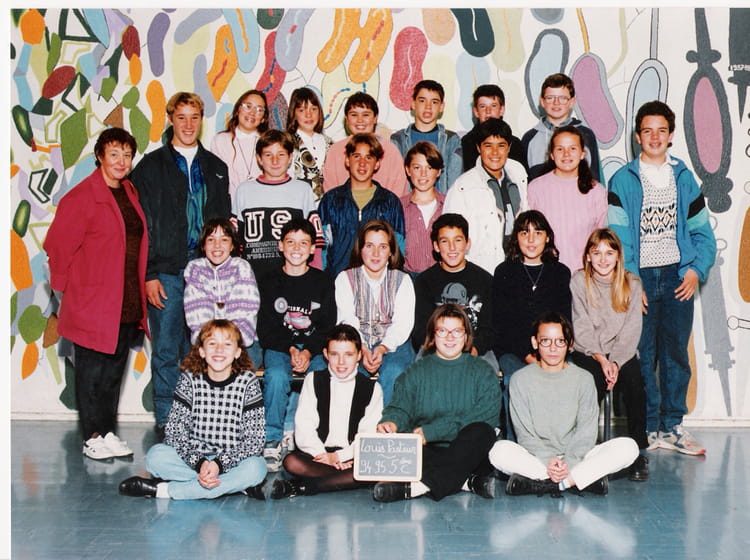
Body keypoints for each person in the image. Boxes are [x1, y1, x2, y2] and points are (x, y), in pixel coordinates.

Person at [608, 100, 716, 455]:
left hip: (675, 278)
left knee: (675, 355)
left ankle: (672, 426)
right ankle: (648, 427)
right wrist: (630, 278)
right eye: (647, 131)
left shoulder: (683, 178)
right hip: (640, 278)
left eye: (661, 131)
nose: (654, 137)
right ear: (638, 137)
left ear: (670, 136)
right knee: (642, 354)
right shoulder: (622, 180)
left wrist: (695, 270)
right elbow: (619, 237)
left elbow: (703, 234)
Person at [130, 91, 231, 434]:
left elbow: (223, 225)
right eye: (181, 117)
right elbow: (142, 226)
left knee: (205, 348)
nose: (188, 125)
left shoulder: (216, 167)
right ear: (171, 119)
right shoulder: (150, 167)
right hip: (167, 272)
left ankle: (201, 420)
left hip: (207, 272)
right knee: (166, 350)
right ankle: (167, 421)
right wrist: (149, 273)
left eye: (194, 117)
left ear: (201, 120)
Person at [44, 127, 148, 460]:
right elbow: (57, 247)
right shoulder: (81, 197)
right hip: (91, 301)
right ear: (100, 156)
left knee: (114, 371)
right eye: (114, 154)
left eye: (127, 155)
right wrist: (67, 295)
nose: (121, 161)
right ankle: (91, 436)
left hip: (125, 299)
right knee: (91, 372)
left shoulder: (129, 191)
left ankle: (107, 432)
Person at [489, 312, 638, 497]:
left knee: (628, 447)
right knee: (498, 451)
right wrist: (548, 461)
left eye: (560, 341)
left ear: (570, 344)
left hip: (577, 456)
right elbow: (524, 435)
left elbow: (586, 433)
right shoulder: (520, 379)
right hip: (536, 457)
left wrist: (569, 462)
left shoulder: (584, 379)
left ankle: (550, 484)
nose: (553, 348)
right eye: (546, 341)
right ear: (535, 342)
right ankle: (577, 481)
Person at [118, 319, 267, 499]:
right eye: (212, 344)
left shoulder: (248, 382)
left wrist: (219, 464)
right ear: (202, 351)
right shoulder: (189, 379)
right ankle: (233, 485)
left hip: (233, 460)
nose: (219, 350)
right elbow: (174, 432)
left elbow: (255, 440)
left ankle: (164, 490)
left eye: (227, 344)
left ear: (237, 352)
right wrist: (201, 463)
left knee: (256, 468)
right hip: (194, 460)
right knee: (155, 457)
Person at [372, 304, 501, 503]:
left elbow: (485, 418)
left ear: (466, 336)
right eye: (442, 331)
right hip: (428, 452)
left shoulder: (483, 372)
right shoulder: (416, 371)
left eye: (457, 331)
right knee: (405, 447)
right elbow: (400, 407)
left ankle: (417, 488)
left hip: (469, 453)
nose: (450, 337)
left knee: (482, 432)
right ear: (433, 336)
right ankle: (465, 482)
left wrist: (434, 432)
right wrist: (391, 422)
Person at [256, 218, 336, 471]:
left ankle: (318, 436)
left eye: (303, 243)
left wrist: (309, 351)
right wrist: (291, 348)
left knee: (321, 376)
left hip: (314, 347)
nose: (296, 248)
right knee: (277, 376)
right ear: (280, 246)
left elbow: (327, 326)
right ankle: (272, 437)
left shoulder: (323, 281)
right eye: (290, 242)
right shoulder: (269, 280)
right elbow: (266, 327)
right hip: (281, 346)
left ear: (313, 248)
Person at [570, 228, 649, 481]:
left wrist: (615, 361)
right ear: (588, 256)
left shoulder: (631, 284)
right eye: (597, 253)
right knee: (590, 383)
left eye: (609, 253)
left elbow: (631, 329)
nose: (603, 259)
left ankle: (637, 452)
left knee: (636, 387)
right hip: (589, 350)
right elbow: (581, 325)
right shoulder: (579, 281)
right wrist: (601, 359)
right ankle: (582, 449)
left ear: (618, 256)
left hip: (621, 352)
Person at [270, 324, 383, 498]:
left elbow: (367, 436)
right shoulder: (313, 380)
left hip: (353, 456)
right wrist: (325, 456)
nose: (341, 362)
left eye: (348, 355)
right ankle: (342, 480)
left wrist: (340, 457)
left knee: (373, 468)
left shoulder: (372, 388)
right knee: (291, 462)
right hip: (319, 455)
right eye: (334, 354)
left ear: (359, 355)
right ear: (325, 354)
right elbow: (304, 427)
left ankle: (302, 487)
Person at [492, 210, 571, 440]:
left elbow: (564, 320)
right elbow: (501, 325)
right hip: (513, 350)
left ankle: (558, 445)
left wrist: (547, 352)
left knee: (569, 379)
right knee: (514, 380)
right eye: (524, 233)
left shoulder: (560, 272)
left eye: (538, 233)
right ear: (516, 237)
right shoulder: (504, 271)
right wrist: (529, 355)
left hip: (552, 349)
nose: (531, 239)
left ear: (547, 237)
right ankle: (515, 446)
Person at [335, 220, 415, 405]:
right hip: (356, 340)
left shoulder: (403, 280)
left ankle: (387, 420)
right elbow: (347, 319)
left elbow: (402, 324)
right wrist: (363, 348)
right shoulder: (345, 278)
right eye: (369, 246)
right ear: (360, 248)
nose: (376, 253)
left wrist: (382, 347)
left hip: (394, 342)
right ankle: (358, 420)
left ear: (391, 251)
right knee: (351, 372)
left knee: (394, 371)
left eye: (383, 247)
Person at [443, 117, 528, 274]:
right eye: (488, 146)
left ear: (509, 147)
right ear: (478, 147)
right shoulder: (462, 188)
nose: (495, 152)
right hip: (482, 272)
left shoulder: (519, 175)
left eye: (501, 145)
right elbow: (451, 238)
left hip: (520, 269)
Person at [232, 129, 317, 281]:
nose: (275, 161)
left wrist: (312, 276)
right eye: (268, 155)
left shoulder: (303, 190)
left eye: (281, 154)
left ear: (290, 157)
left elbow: (314, 242)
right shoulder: (244, 190)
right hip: (252, 276)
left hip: (291, 276)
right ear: (259, 158)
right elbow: (236, 242)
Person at [412, 213, 496, 369]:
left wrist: (472, 351)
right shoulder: (424, 281)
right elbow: (421, 331)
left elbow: (489, 330)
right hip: (435, 349)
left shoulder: (485, 280)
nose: (452, 247)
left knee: (487, 373)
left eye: (458, 240)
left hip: (475, 350)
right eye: (445, 241)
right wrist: (442, 353)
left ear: (467, 243)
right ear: (436, 246)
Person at [318, 133, 405, 278]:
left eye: (369, 157)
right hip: (337, 282)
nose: (362, 163)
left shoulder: (390, 202)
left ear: (377, 164)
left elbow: (398, 249)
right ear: (347, 160)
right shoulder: (330, 200)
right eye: (356, 156)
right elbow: (321, 249)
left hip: (378, 283)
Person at [183, 217, 261, 367]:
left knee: (237, 370)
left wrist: (227, 347)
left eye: (224, 240)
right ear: (203, 245)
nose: (217, 245)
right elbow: (197, 318)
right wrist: (213, 346)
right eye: (211, 239)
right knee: (195, 370)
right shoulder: (194, 269)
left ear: (232, 245)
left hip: (242, 344)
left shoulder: (241, 267)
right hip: (206, 343)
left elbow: (245, 316)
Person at [527, 125, 607, 272]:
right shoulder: (535, 188)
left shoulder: (596, 191)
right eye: (560, 149)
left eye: (573, 148)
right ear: (551, 154)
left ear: (582, 154)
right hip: (547, 274)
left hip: (585, 275)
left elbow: (601, 240)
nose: (566, 154)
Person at [321, 91, 409, 196]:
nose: (360, 120)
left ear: (375, 118)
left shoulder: (390, 150)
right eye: (354, 115)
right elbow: (330, 191)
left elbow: (399, 190)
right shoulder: (335, 151)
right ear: (347, 119)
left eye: (366, 115)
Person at [521, 73, 602, 182]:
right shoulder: (529, 138)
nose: (556, 103)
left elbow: (595, 179)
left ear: (571, 102)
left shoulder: (586, 135)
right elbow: (524, 181)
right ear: (542, 102)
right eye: (550, 98)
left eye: (563, 98)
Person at [390, 79, 462, 194]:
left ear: (441, 107)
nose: (428, 107)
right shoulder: (398, 140)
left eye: (434, 102)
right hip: (407, 203)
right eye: (422, 101)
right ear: (413, 104)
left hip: (442, 203)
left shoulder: (451, 140)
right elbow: (394, 181)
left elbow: (455, 184)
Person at [210, 89, 268, 198]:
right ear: (238, 109)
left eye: (259, 109)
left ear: (263, 118)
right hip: (229, 204)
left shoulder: (268, 143)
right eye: (248, 106)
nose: (252, 113)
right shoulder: (221, 141)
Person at [400, 142, 446, 275]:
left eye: (429, 168)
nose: (423, 174)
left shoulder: (448, 204)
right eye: (417, 167)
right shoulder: (399, 206)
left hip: (441, 276)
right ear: (408, 170)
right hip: (408, 277)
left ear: (438, 171)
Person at [461, 84, 527, 172]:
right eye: (483, 106)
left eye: (493, 106)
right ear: (476, 112)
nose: (488, 111)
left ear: (501, 110)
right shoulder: (466, 143)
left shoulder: (514, 143)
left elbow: (522, 175)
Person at [286, 86, 333, 202]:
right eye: (302, 110)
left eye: (313, 109)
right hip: (296, 204)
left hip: (327, 206)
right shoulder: (286, 142)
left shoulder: (330, 143)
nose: (309, 115)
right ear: (294, 113)